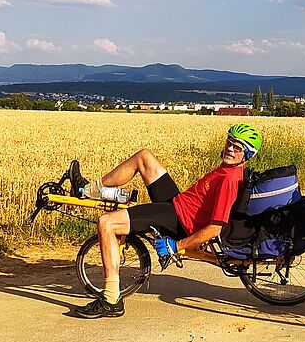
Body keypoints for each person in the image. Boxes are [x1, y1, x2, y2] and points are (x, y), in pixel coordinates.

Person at [71, 123, 262, 318]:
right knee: (144, 157)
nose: (230, 148)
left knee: (107, 223)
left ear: (246, 154)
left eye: (237, 147)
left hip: (179, 220)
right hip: (178, 205)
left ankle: (111, 300)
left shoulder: (229, 179)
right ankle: (87, 189)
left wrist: (176, 245)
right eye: (229, 142)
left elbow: (215, 228)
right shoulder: (226, 168)